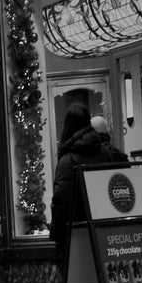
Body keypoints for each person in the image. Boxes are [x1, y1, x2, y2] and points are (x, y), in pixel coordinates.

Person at [51, 104, 116, 266]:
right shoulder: (105, 153)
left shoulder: (67, 160)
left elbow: (61, 201)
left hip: (75, 235)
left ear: (67, 126)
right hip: (104, 234)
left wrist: (56, 235)